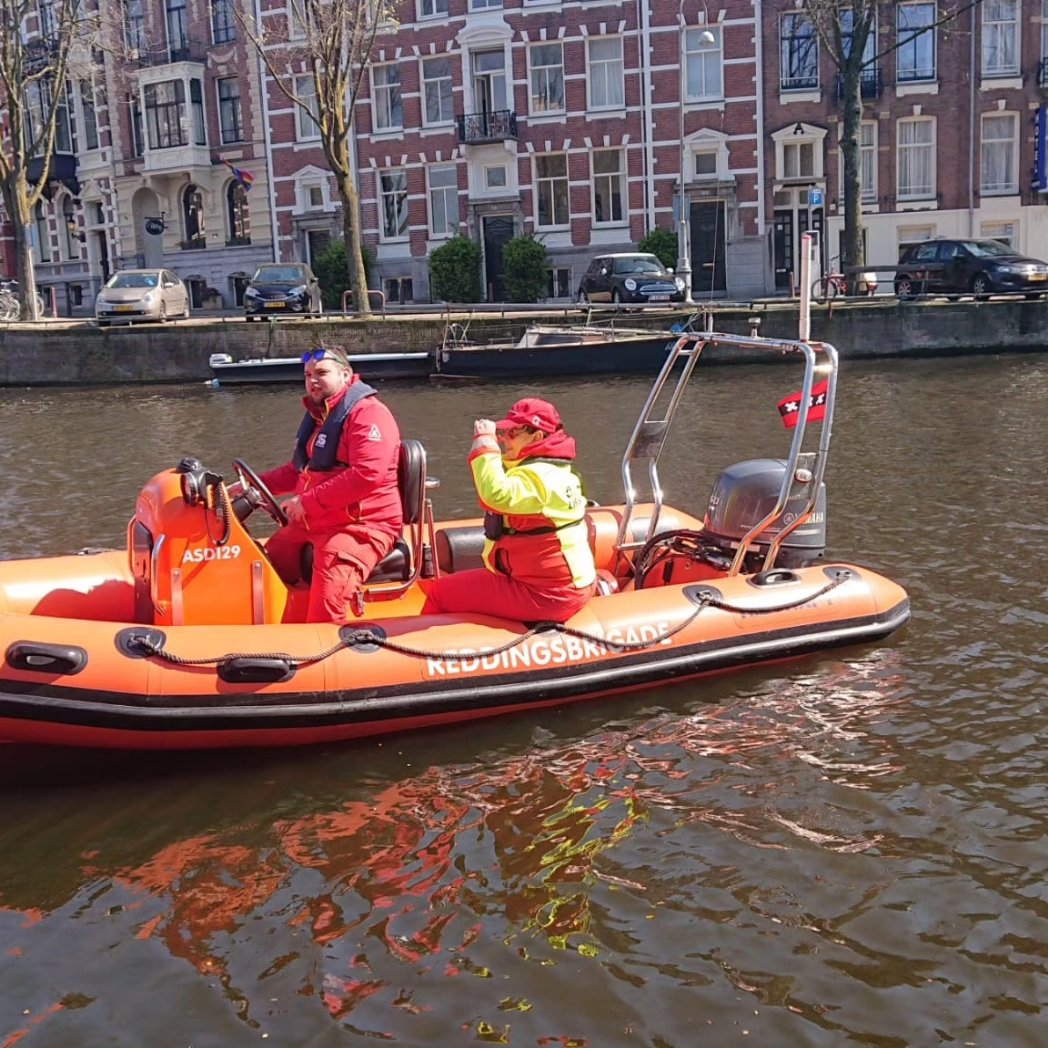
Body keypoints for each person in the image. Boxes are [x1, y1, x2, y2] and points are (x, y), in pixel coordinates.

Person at [255, 345, 402, 623]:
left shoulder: (368, 414)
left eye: (322, 373)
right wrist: (252, 486)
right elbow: (298, 470)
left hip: (361, 527)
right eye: (308, 374)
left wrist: (307, 502)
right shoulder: (321, 416)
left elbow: (367, 474)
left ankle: (325, 645)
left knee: (326, 603)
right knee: (267, 562)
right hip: (315, 521)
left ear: (345, 375)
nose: (313, 380)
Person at [422, 397, 596, 623]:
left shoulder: (539, 477)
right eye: (503, 433)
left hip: (547, 595)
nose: (504, 439)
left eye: (512, 433)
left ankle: (423, 655)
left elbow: (495, 495)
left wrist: (484, 442)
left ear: (538, 435)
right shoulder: (558, 470)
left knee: (440, 592)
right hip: (570, 585)